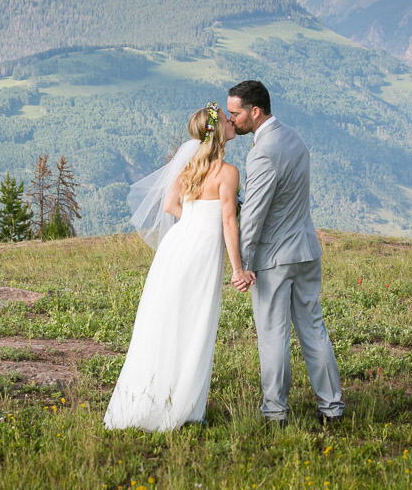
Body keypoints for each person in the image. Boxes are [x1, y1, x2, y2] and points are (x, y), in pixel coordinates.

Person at [104, 102, 243, 431]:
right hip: (203, 252)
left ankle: (148, 401)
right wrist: (238, 269)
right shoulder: (227, 172)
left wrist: (194, 222)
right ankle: (185, 409)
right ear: (216, 130)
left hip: (177, 246)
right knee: (195, 323)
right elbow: (228, 222)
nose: (231, 121)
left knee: (165, 323)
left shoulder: (190, 168)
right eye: (226, 119)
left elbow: (169, 205)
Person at [227, 80, 344, 426]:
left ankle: (275, 411)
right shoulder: (295, 138)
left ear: (255, 111)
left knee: (273, 334)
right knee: (313, 329)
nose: (231, 120)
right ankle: (332, 408)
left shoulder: (262, 151)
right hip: (306, 250)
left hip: (274, 258)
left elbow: (255, 216)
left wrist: (242, 265)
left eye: (235, 113)